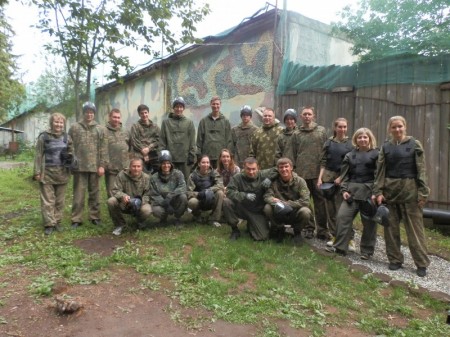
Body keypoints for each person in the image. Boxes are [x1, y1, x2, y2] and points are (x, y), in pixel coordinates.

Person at [372, 116, 430, 277]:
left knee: (415, 232)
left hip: (410, 194)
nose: (397, 130)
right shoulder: (385, 147)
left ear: (405, 127)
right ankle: (395, 259)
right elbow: (380, 171)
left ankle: (421, 263)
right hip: (390, 195)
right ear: (389, 129)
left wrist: (423, 192)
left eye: (400, 126)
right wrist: (378, 192)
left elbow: (422, 169)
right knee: (390, 231)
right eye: (394, 127)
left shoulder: (414, 145)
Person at [326, 128, 379, 259]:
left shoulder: (377, 155)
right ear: (356, 139)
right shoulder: (350, 155)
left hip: (369, 192)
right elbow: (344, 175)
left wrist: (377, 193)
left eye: (365, 137)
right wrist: (344, 190)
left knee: (369, 223)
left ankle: (366, 251)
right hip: (351, 193)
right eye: (360, 137)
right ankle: (340, 247)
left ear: (370, 138)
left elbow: (380, 176)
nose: (362, 139)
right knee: (342, 217)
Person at [69, 101, 108, 228]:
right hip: (79, 167)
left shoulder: (100, 129)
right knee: (79, 193)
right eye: (87, 112)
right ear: (83, 113)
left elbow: (104, 148)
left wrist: (102, 165)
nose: (89, 114)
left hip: (95, 167)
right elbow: (69, 146)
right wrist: (71, 162)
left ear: (94, 114)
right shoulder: (75, 127)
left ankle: (94, 217)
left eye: (91, 112)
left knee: (95, 193)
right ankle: (76, 219)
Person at [34, 112, 74, 235]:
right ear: (52, 122)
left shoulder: (67, 137)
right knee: (48, 200)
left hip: (62, 173)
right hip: (47, 174)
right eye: (56, 122)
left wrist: (70, 158)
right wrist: (37, 172)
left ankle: (57, 222)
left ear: (64, 124)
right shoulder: (44, 137)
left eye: (61, 122)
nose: (58, 124)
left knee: (60, 201)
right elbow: (38, 155)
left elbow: (71, 153)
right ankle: (49, 224)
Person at [292, 106, 329, 240]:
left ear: (313, 116)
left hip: (318, 174)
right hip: (302, 174)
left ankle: (322, 230)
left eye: (309, 114)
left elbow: (326, 152)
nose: (307, 116)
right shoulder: (296, 134)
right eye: (304, 114)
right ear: (301, 117)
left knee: (321, 203)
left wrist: (324, 172)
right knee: (306, 203)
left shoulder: (321, 131)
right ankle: (309, 228)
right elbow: (293, 154)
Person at [317, 118, 354, 249]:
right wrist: (320, 178)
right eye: (340, 127)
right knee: (330, 210)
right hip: (328, 178)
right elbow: (323, 162)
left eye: (344, 127)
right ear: (335, 128)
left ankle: (349, 239)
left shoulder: (351, 144)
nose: (342, 129)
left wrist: (341, 177)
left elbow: (352, 164)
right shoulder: (329, 143)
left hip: (343, 180)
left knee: (343, 211)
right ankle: (335, 236)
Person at [223, 157, 276, 241]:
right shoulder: (237, 177)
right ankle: (234, 229)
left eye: (253, 169)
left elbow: (278, 168)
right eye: (248, 169)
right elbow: (229, 191)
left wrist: (270, 178)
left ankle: (251, 225)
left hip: (257, 211)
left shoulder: (263, 174)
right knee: (226, 202)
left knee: (262, 237)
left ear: (258, 167)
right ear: (244, 167)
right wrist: (244, 195)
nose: (251, 172)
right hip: (242, 208)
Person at [263, 158, 312, 245]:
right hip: (278, 211)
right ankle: (278, 229)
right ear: (278, 169)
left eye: (286, 167)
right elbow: (267, 196)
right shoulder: (273, 181)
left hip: (294, 211)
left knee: (306, 211)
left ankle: (297, 232)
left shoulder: (300, 181)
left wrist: (287, 203)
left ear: (291, 168)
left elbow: (305, 201)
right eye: (281, 167)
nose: (284, 169)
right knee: (267, 208)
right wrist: (276, 203)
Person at [107, 158, 152, 235]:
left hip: (139, 203)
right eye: (134, 166)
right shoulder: (122, 175)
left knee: (147, 210)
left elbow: (148, 194)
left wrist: (140, 201)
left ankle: (140, 222)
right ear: (130, 167)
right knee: (111, 201)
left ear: (142, 167)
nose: (136, 169)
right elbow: (115, 190)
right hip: (124, 203)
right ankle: (120, 225)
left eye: (138, 166)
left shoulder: (146, 178)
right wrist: (123, 196)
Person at [159, 97, 196, 181]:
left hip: (185, 158)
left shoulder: (189, 123)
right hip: (170, 158)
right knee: (170, 180)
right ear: (173, 108)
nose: (178, 109)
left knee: (185, 180)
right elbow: (162, 141)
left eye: (181, 107)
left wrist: (192, 155)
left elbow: (192, 141)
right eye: (176, 107)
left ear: (183, 108)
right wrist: (162, 155)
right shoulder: (166, 123)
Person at [149, 150, 188, 227]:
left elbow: (182, 187)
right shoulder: (154, 177)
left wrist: (170, 196)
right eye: (163, 163)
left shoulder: (178, 174)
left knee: (183, 197)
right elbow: (154, 194)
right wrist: (165, 203)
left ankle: (177, 218)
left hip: (174, 200)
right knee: (155, 210)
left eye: (168, 163)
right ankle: (163, 218)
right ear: (160, 165)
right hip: (162, 203)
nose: (166, 165)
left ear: (171, 164)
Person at [187, 154, 225, 227]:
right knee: (192, 202)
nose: (206, 164)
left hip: (211, 198)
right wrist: (199, 194)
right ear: (199, 164)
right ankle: (197, 216)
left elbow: (220, 185)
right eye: (203, 162)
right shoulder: (193, 175)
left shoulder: (214, 173)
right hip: (199, 200)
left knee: (220, 193)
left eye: (207, 162)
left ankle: (214, 219)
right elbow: (188, 192)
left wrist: (208, 191)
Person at [196, 96, 232, 168]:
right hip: (207, 158)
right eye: (214, 104)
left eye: (217, 104)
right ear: (210, 104)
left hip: (221, 158)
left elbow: (229, 140)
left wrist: (227, 157)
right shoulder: (203, 121)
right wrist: (199, 156)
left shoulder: (225, 121)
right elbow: (199, 140)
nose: (215, 106)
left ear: (220, 105)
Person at [105, 108, 130, 197]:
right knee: (112, 193)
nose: (116, 119)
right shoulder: (104, 131)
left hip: (125, 168)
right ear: (110, 117)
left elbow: (131, 146)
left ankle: (124, 210)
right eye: (114, 117)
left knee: (126, 192)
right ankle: (114, 211)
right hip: (111, 168)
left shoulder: (126, 130)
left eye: (118, 117)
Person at [130, 104, 160, 173]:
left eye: (145, 113)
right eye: (142, 113)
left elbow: (159, 140)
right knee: (139, 169)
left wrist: (149, 148)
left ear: (148, 113)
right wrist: (144, 152)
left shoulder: (155, 127)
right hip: (140, 153)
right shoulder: (135, 126)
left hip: (153, 153)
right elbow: (134, 141)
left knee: (160, 167)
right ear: (139, 115)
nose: (144, 115)